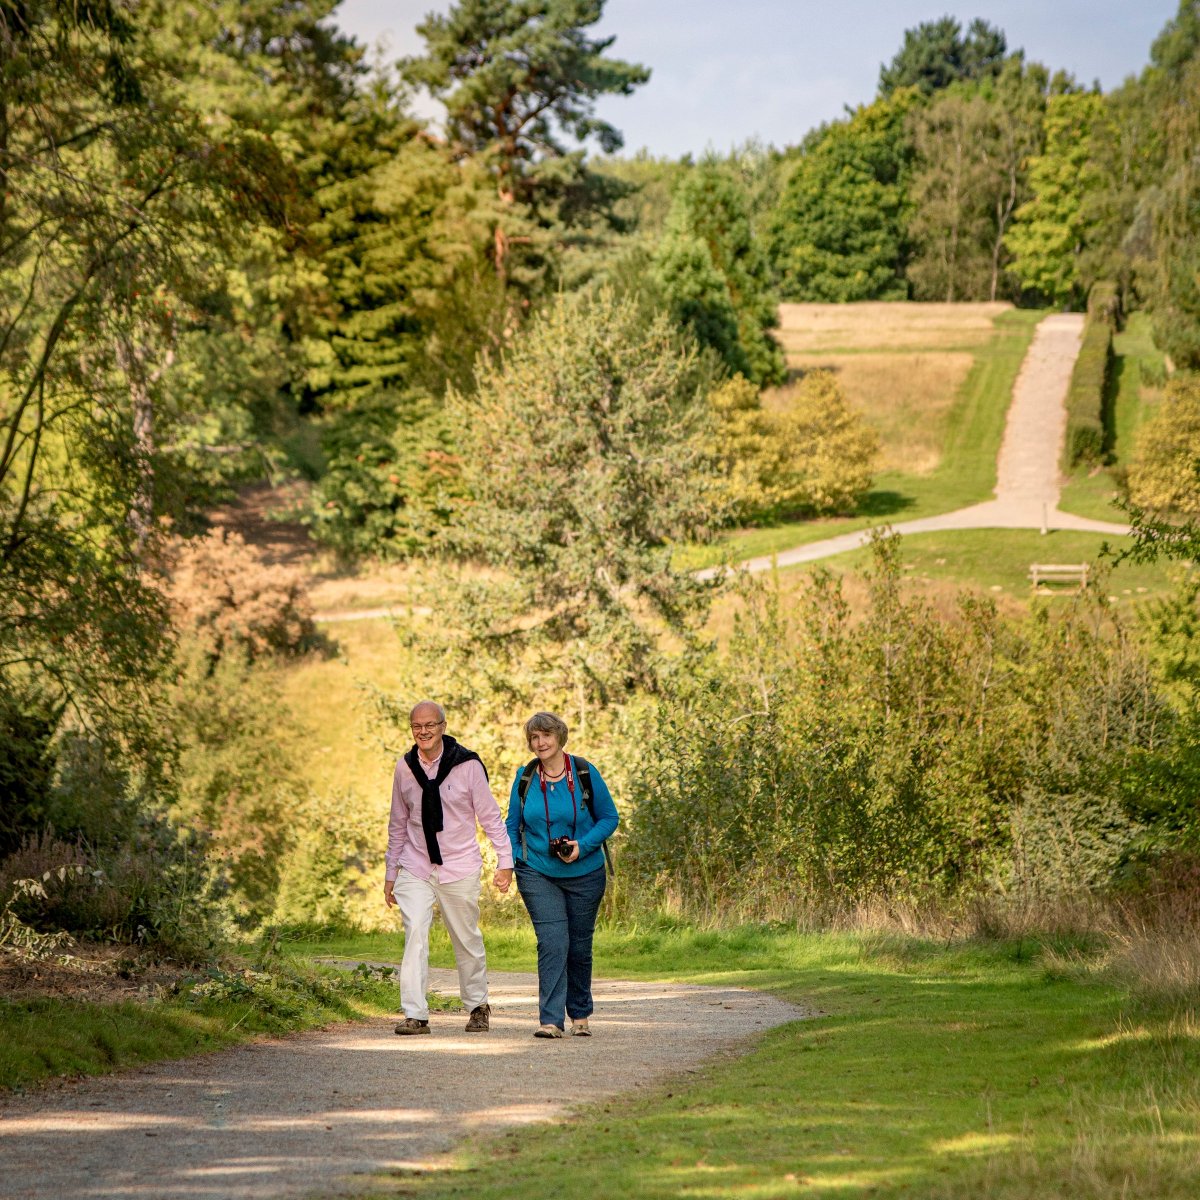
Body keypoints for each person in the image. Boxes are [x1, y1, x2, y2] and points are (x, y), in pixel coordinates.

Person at [384, 701, 514, 1035]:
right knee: (415, 932)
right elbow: (397, 824)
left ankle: (477, 1006)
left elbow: (489, 816)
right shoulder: (404, 768)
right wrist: (390, 874)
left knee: (466, 938)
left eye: (429, 725)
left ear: (443, 726)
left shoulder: (467, 765)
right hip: (416, 865)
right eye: (416, 726)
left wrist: (505, 861)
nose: (423, 732)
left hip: (459, 865)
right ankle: (415, 1014)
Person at [506, 711, 619, 1038]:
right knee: (553, 942)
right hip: (537, 871)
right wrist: (516, 859)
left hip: (585, 872)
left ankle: (580, 1013)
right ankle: (551, 1020)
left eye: (545, 736)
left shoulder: (584, 772)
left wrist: (581, 846)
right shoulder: (525, 777)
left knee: (579, 946)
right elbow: (512, 825)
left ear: (559, 738)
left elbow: (609, 818)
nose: (539, 743)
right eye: (533, 738)